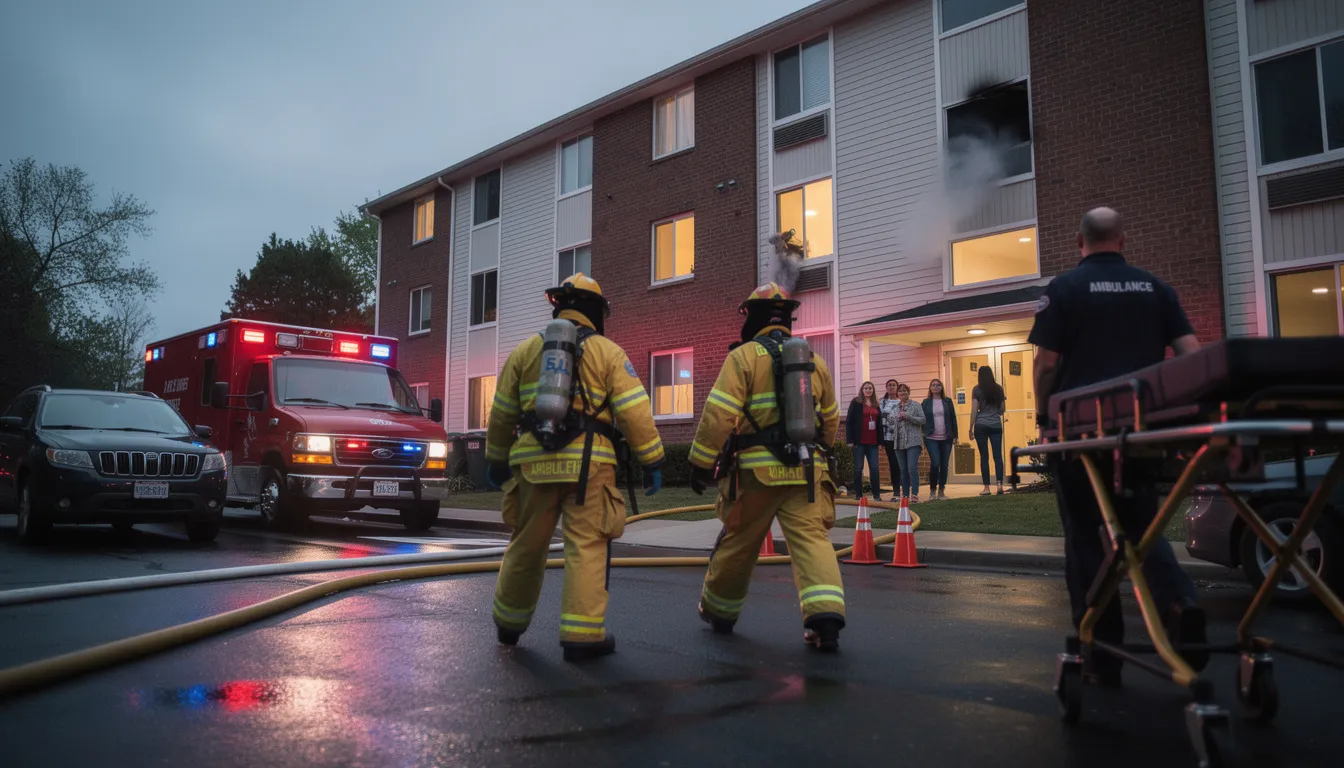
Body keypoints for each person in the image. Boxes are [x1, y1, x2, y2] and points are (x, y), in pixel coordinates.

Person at [1028, 207, 1207, 685]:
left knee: (1088, 537)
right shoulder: (1155, 288)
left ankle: (1101, 650)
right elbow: (1192, 355)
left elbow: (1046, 365)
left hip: (1081, 436)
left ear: (1078, 242)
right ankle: (1180, 603)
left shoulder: (1063, 290)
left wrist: (1045, 417)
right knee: (1140, 526)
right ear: (1123, 241)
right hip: (1141, 433)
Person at [483, 273, 665, 662]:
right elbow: (635, 413)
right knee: (587, 545)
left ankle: (509, 625)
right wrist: (653, 460)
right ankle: (582, 636)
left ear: (559, 306)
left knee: (526, 545)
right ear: (597, 311)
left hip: (532, 465)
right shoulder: (607, 352)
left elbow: (500, 414)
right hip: (589, 468)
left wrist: (496, 458)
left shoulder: (526, 351)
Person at [687, 282, 845, 652]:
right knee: (811, 542)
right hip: (806, 474)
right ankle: (825, 621)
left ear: (752, 317)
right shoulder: (814, 362)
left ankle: (720, 612)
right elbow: (832, 419)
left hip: (755, 477)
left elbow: (719, 415)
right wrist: (821, 452)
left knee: (739, 544)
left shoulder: (743, 358)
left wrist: (699, 462)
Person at [969, 366, 1006, 495]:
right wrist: (995, 412)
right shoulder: (999, 389)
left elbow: (974, 410)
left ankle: (986, 488)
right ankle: (1000, 485)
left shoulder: (977, 389)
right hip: (996, 425)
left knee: (984, 456)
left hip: (981, 425)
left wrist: (970, 428)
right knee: (997, 456)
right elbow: (1002, 409)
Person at [921, 379, 957, 501]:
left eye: (938, 385)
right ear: (930, 388)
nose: (935, 387)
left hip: (946, 437)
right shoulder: (925, 402)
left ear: (941, 388)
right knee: (935, 463)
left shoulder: (947, 401)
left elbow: (953, 418)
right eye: (933, 385)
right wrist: (922, 434)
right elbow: (921, 419)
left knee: (944, 465)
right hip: (931, 438)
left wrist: (955, 435)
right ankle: (932, 491)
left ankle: (941, 491)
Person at [889, 382, 926, 502]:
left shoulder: (916, 405)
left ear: (908, 392)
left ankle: (914, 494)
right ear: (897, 393)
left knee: (912, 468)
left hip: (913, 441)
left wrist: (908, 416)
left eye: (905, 390)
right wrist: (894, 420)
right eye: (900, 391)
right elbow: (890, 425)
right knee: (903, 470)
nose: (902, 392)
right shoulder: (895, 408)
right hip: (898, 442)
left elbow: (923, 420)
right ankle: (905, 495)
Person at [846, 382, 882, 500]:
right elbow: (849, 422)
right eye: (866, 388)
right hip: (859, 441)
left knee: (875, 468)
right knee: (858, 468)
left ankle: (876, 495)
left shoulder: (876, 404)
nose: (868, 390)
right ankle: (858, 494)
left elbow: (880, 424)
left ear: (873, 390)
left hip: (873, 442)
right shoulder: (856, 402)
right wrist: (850, 440)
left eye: (870, 388)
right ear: (862, 390)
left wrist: (880, 441)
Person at [879, 379, 901, 495]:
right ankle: (896, 490)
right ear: (886, 388)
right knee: (893, 462)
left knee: (900, 463)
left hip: (900, 437)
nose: (892, 387)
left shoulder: (901, 401)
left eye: (894, 385)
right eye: (890, 385)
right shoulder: (881, 402)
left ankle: (904, 488)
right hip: (888, 437)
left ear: (897, 387)